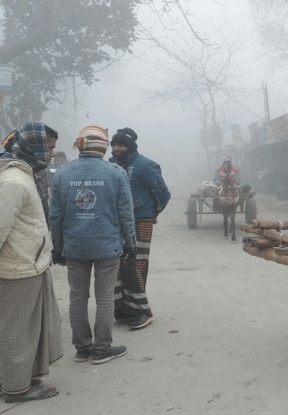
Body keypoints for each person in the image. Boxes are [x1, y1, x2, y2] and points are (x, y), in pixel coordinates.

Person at [50, 125, 135, 365]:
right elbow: (125, 215)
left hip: (74, 247)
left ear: (81, 144)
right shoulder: (116, 173)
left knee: (77, 297)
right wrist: (131, 244)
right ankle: (102, 349)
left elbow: (56, 215)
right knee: (105, 297)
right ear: (104, 147)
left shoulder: (62, 174)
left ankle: (83, 349)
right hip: (107, 247)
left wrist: (58, 247)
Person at [0, 122, 63, 402]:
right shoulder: (13, 181)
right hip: (18, 268)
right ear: (32, 147)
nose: (51, 154)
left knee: (31, 329)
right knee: (17, 331)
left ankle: (23, 377)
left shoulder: (25, 175)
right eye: (47, 148)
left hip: (30, 263)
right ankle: (16, 388)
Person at [110, 127, 171, 330]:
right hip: (117, 223)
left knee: (134, 265)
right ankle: (124, 309)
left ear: (131, 146)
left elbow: (163, 193)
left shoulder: (145, 165)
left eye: (121, 145)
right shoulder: (110, 165)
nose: (117, 148)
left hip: (140, 221)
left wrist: (153, 213)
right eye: (114, 144)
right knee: (118, 265)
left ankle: (142, 311)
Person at [3, 125, 58, 224]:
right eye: (50, 149)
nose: (53, 154)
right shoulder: (14, 182)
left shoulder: (30, 172)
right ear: (35, 148)